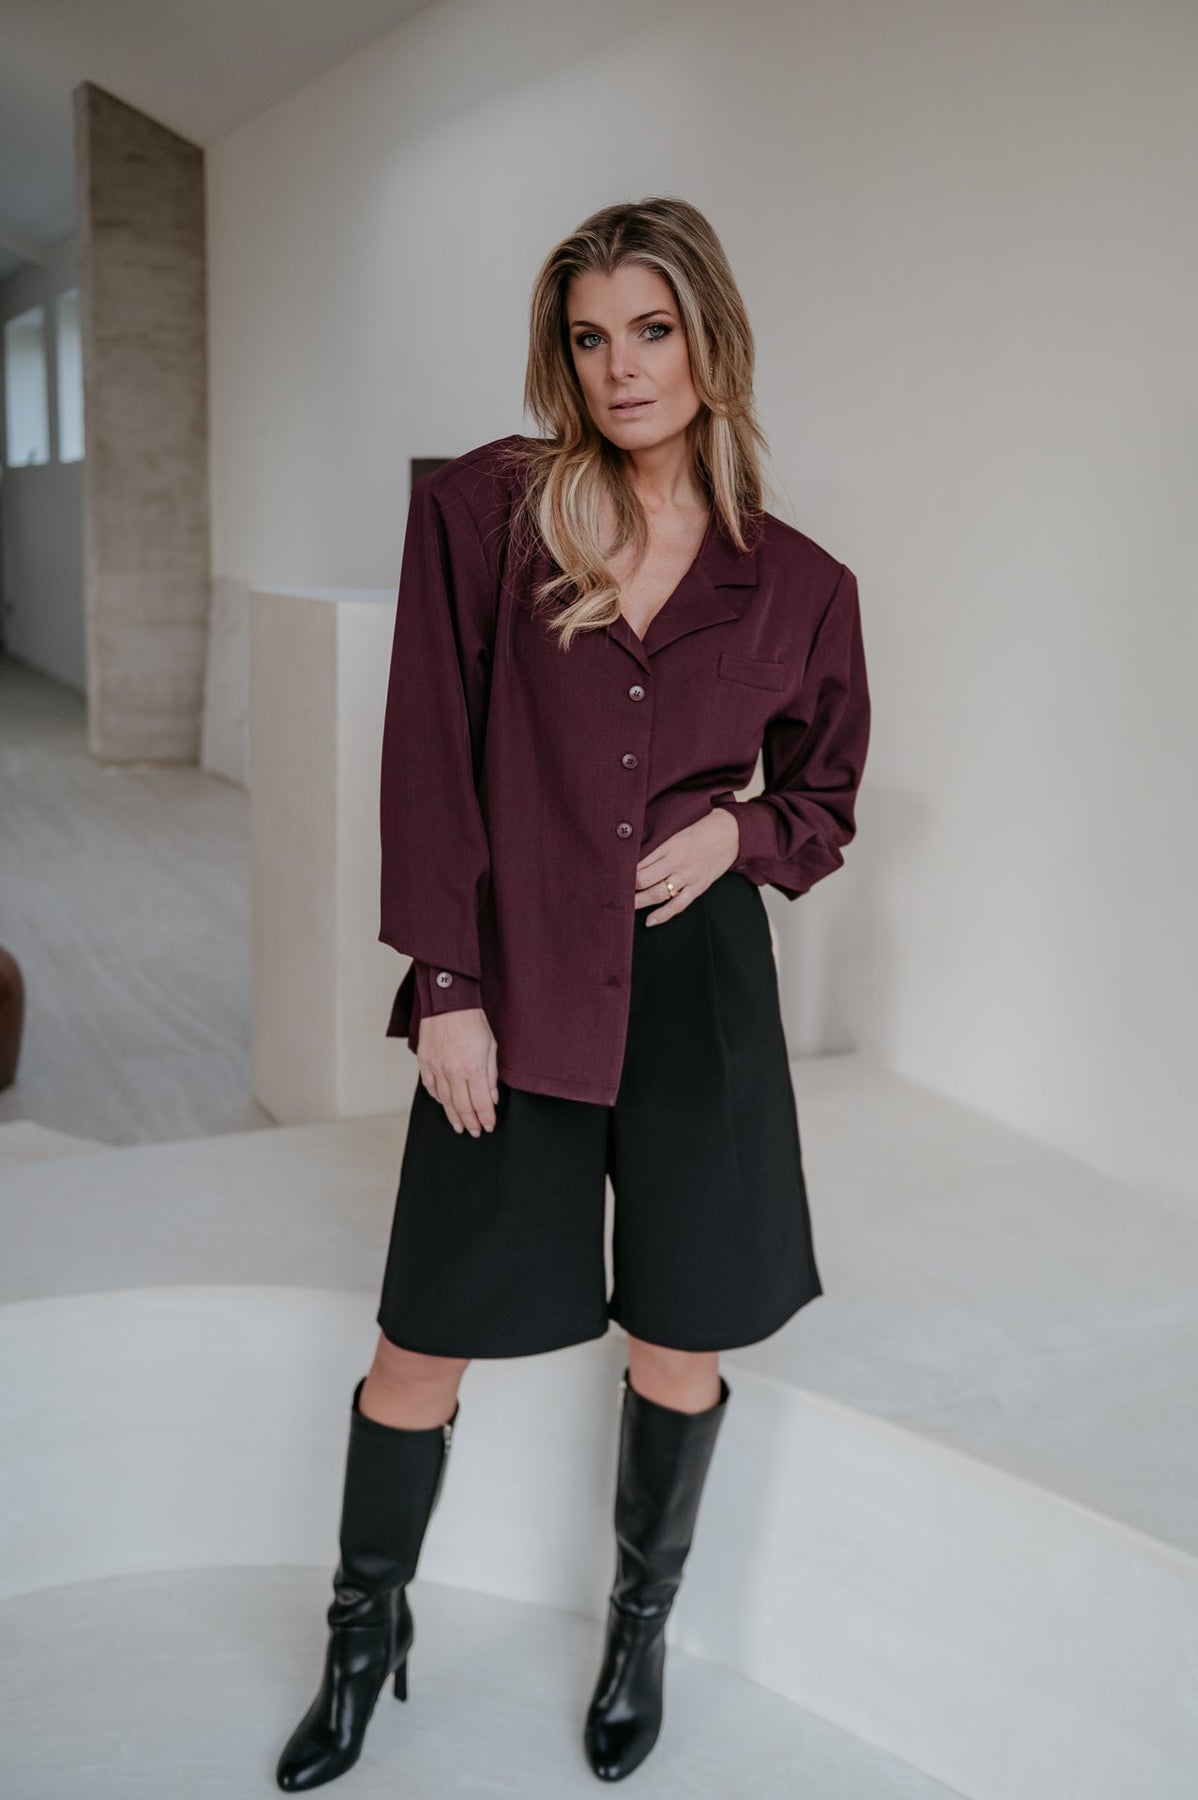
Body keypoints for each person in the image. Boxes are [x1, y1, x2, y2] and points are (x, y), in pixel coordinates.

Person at [276, 195, 871, 1791]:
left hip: (698, 996)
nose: (622, 368)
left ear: (709, 342)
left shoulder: (799, 581)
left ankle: (636, 1632)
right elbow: (427, 755)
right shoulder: (485, 513)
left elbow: (823, 800)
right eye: (591, 337)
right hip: (519, 976)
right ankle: (362, 1635)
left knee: (679, 1338)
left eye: (651, 331)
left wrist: (739, 831)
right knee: (423, 1339)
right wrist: (447, 984)